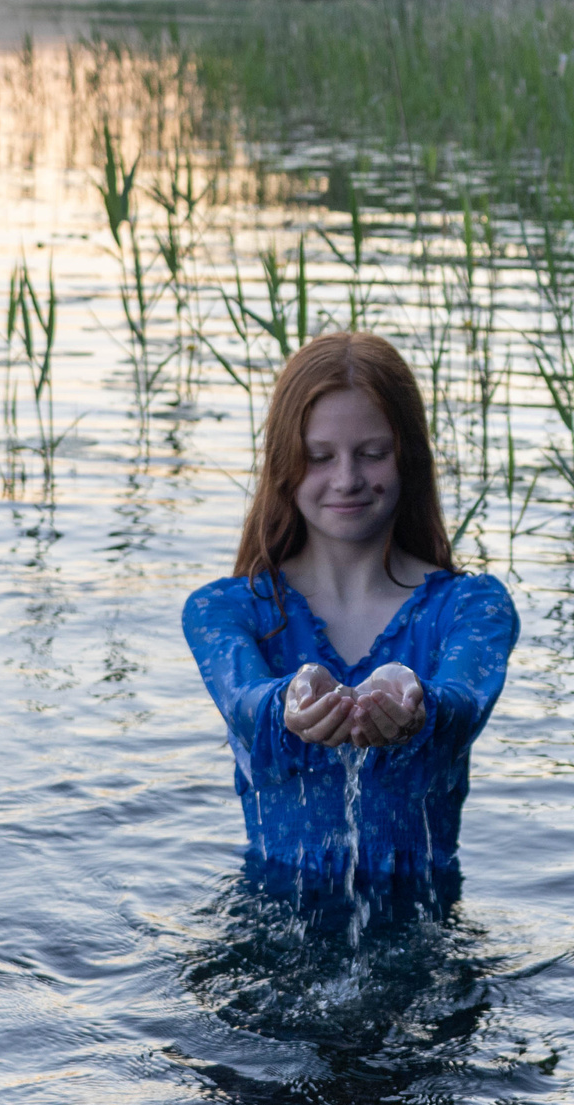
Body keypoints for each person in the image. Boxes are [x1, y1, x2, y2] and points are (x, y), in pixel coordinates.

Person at [183, 331, 518, 895]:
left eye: (372, 453)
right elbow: (245, 703)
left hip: (426, 929)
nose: (347, 479)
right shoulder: (225, 611)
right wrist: (287, 704)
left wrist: (420, 703)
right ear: (284, 465)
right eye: (319, 457)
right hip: (271, 924)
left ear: (407, 454)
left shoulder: (471, 608)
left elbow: (462, 704)